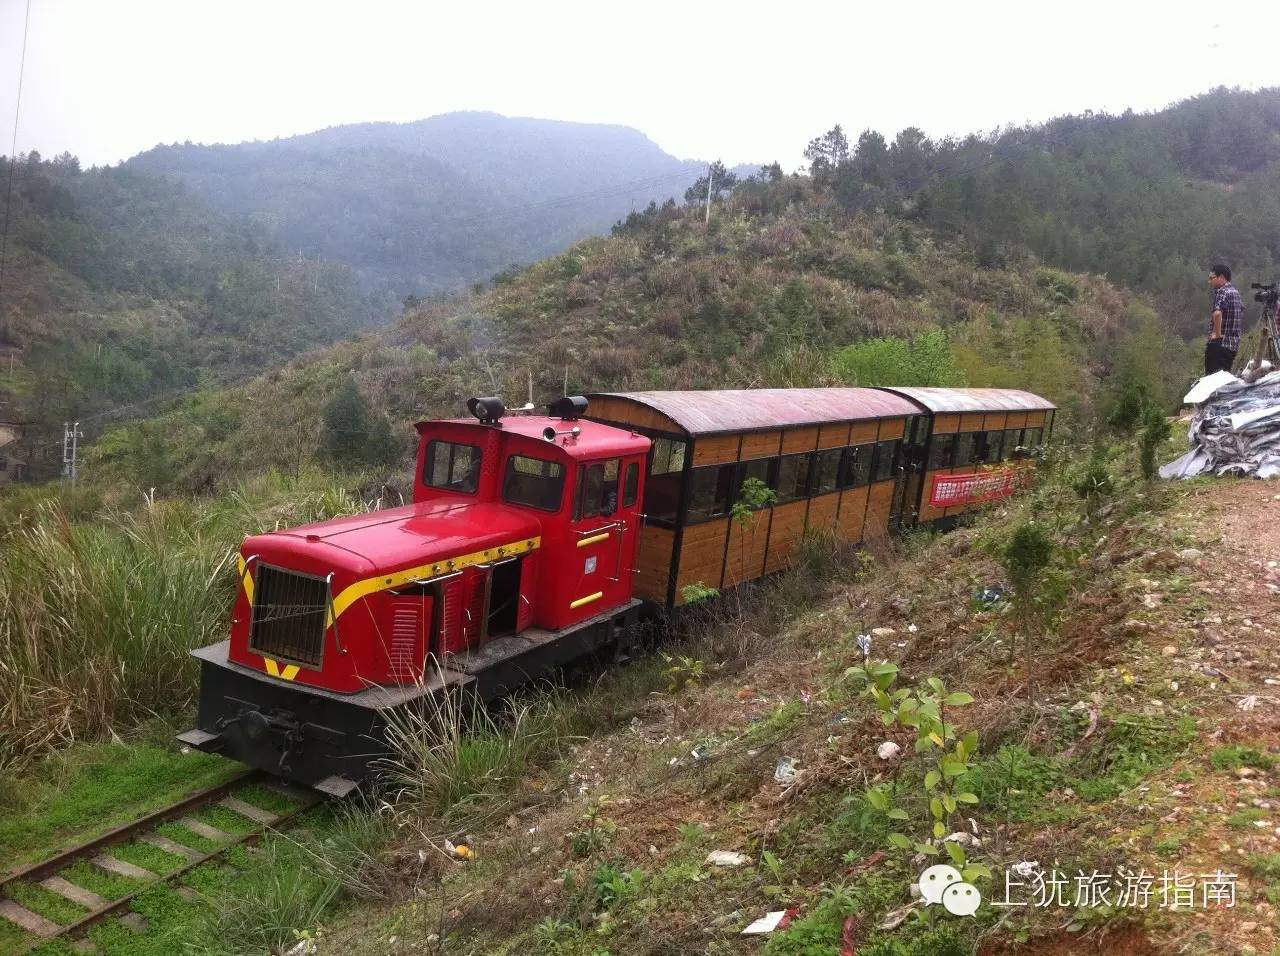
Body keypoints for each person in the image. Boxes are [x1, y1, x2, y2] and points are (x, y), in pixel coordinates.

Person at [1206, 263, 1244, 375]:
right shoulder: (1235, 293)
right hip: (1232, 346)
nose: (1209, 281)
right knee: (1223, 382)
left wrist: (1217, 335)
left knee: (1212, 383)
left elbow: (1217, 314)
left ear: (1222, 277)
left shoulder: (1223, 291)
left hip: (1219, 346)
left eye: (1211, 278)